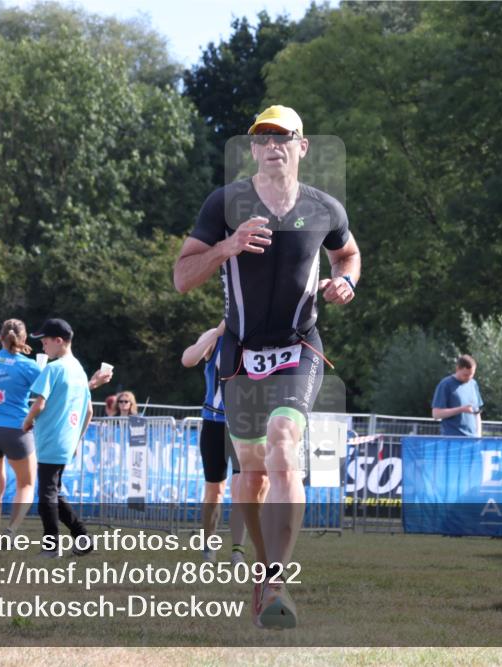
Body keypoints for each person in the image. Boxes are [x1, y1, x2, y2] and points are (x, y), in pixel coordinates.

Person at [173, 104, 361, 630]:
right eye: (262, 137)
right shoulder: (225, 203)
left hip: (299, 349)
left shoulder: (325, 207)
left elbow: (348, 254)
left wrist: (346, 281)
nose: (273, 144)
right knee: (251, 476)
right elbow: (182, 277)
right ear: (253, 148)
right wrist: (227, 246)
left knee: (283, 446)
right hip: (240, 354)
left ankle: (277, 579)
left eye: (284, 136)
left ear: (303, 146)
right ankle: (264, 568)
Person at [22, 318, 94, 557]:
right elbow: (89, 411)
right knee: (53, 492)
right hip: (66, 441)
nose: (43, 347)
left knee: (46, 496)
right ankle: (83, 537)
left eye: (45, 342)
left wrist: (27, 421)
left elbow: (39, 403)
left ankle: (51, 546)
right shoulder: (79, 370)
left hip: (51, 440)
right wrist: (77, 439)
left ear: (59, 341)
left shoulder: (53, 369)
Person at [181, 320, 247, 565]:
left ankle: (238, 550)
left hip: (246, 427)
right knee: (214, 490)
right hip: (214, 423)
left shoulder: (256, 337)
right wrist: (216, 334)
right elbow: (188, 359)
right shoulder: (215, 336)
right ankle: (209, 546)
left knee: (243, 489)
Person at [0, 319, 41, 537]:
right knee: (26, 484)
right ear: (23, 339)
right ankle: (11, 531)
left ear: (0, 337)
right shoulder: (29, 366)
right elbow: (47, 392)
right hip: (17, 429)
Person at [431, 355, 483, 437]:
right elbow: (436, 414)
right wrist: (461, 409)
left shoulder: (473, 384)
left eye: (472, 374)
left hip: (473, 438)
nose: (469, 378)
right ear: (458, 369)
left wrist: (479, 436)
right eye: (465, 375)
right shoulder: (445, 385)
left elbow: (477, 412)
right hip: (453, 438)